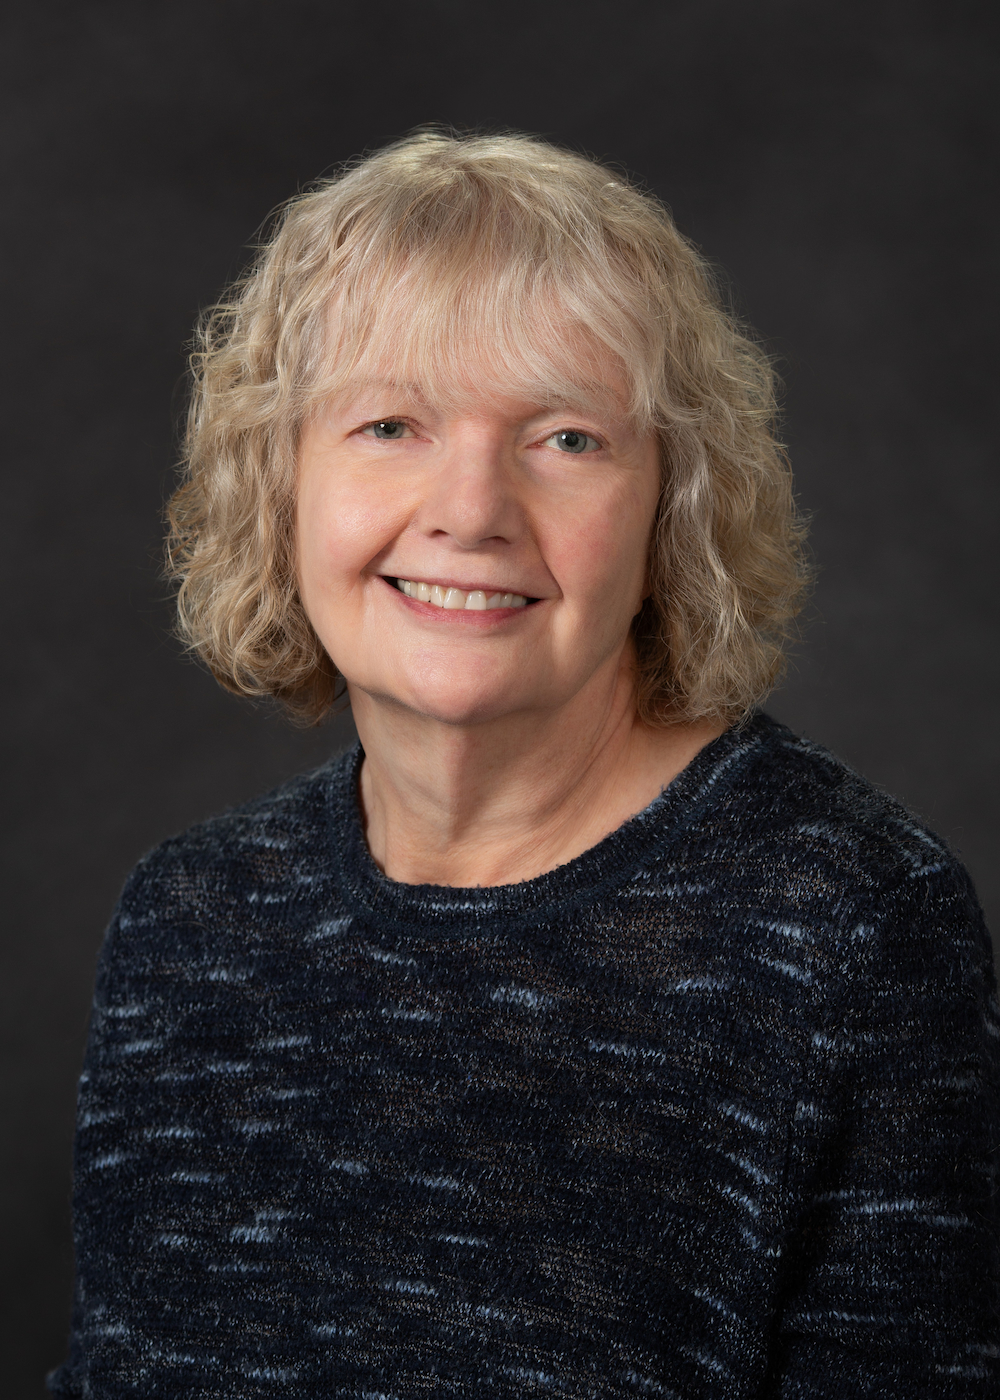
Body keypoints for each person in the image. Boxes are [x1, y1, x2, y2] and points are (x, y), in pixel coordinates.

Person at [50, 130, 998, 1399]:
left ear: (675, 505)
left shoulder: (849, 927)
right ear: (277, 482)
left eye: (564, 438)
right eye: (390, 423)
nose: (471, 508)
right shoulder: (189, 923)